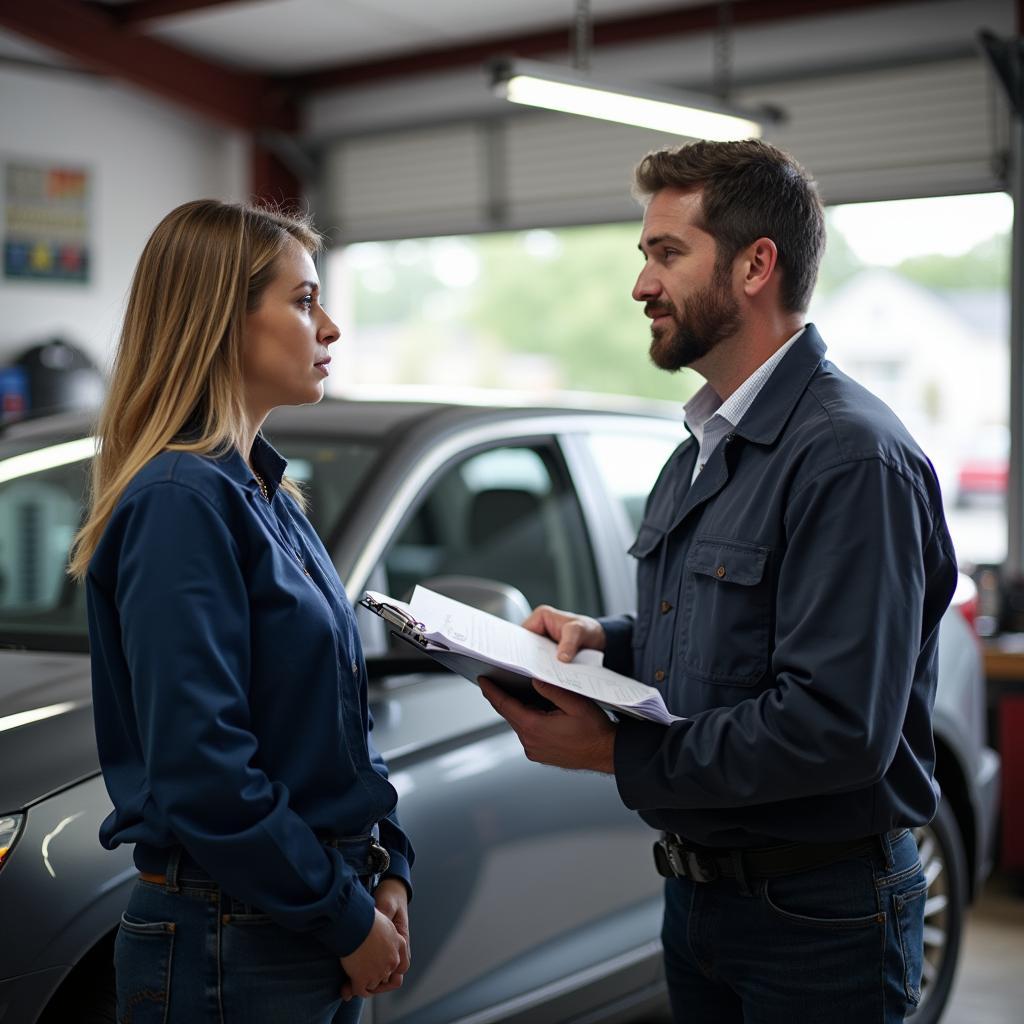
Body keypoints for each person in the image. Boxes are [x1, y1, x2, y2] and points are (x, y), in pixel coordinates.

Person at [480, 139, 957, 1024]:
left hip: (817, 917)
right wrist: (606, 641)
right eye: (645, 256)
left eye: (667, 254)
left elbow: (835, 729)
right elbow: (727, 628)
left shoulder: (851, 457)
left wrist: (616, 753)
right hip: (700, 899)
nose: (641, 286)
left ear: (754, 266)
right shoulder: (701, 449)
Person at [68, 199, 413, 1024]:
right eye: (303, 301)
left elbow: (334, 727)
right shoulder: (181, 500)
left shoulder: (264, 492)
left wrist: (388, 865)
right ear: (221, 319)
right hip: (238, 933)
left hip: (293, 916)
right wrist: (342, 913)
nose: (329, 327)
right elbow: (204, 769)